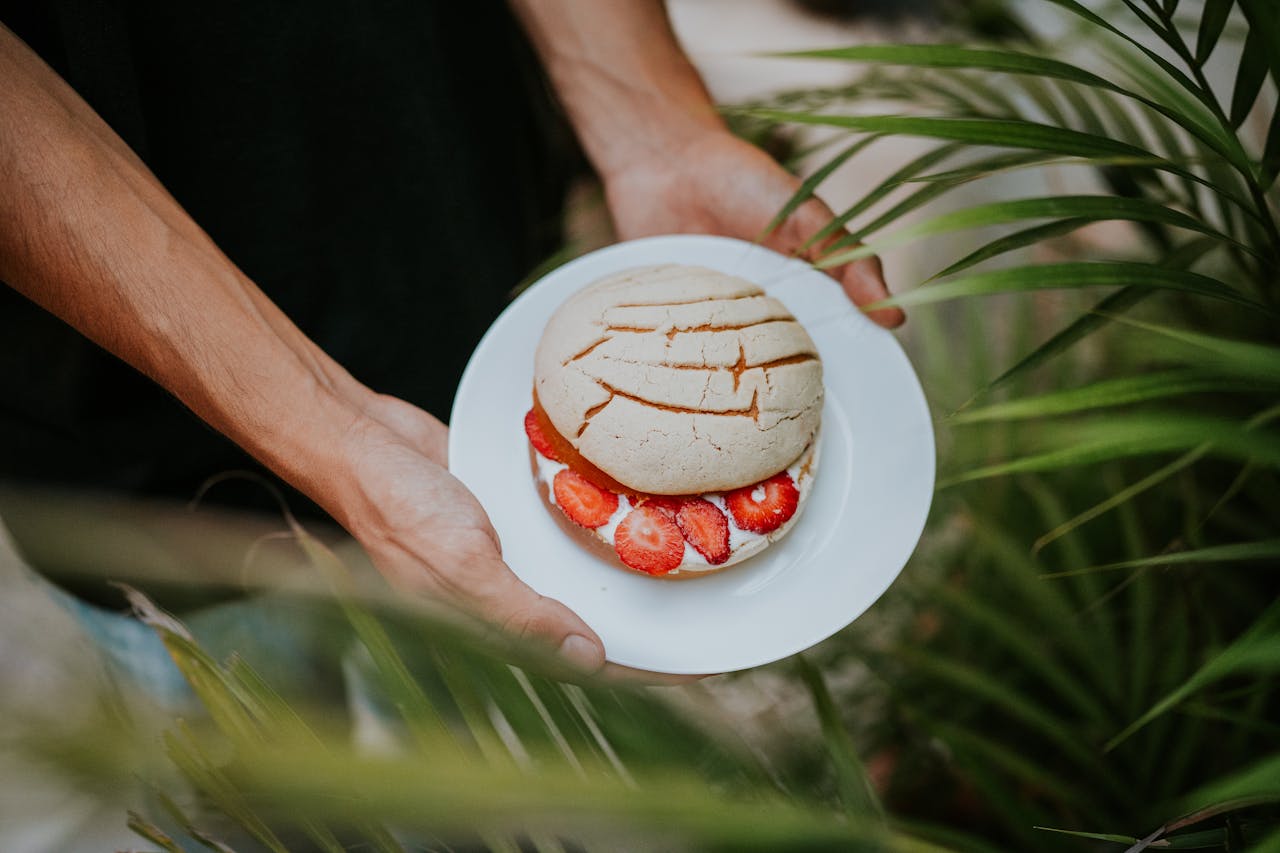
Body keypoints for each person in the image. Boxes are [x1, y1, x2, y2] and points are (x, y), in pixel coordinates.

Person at [0, 1, 902, 677]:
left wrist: (650, 126)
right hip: (149, 446)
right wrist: (325, 427)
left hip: (468, 210)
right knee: (275, 776)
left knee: (481, 738)